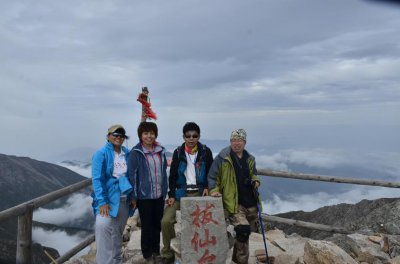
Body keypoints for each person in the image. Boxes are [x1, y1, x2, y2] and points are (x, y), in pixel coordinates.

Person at [160, 122, 214, 264]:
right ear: (183, 137)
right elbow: (172, 176)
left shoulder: (205, 152)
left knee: (198, 224)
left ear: (199, 136)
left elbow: (211, 173)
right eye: (188, 136)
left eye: (194, 135)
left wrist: (208, 186)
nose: (191, 138)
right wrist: (171, 195)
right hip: (180, 193)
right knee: (166, 221)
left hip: (199, 192)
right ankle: (168, 253)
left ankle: (199, 252)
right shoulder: (178, 153)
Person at [208, 128, 261, 264]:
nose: (236, 143)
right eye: (234, 140)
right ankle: (241, 261)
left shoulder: (250, 159)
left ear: (245, 142)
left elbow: (254, 173)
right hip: (233, 202)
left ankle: (236, 260)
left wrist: (256, 180)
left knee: (244, 235)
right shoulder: (223, 157)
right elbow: (213, 176)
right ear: (230, 141)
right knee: (243, 230)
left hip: (250, 202)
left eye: (239, 140)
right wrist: (214, 190)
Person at [91, 124, 135, 264]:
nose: (119, 138)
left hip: (124, 198)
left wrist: (133, 197)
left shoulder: (127, 153)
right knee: (103, 228)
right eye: (115, 135)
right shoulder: (101, 153)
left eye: (122, 136)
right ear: (108, 136)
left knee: (117, 234)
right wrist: (102, 201)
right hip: (108, 199)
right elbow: (97, 179)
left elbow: (132, 176)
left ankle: (117, 261)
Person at [127, 122, 168, 264]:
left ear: (155, 134)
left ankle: (156, 251)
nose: (149, 136)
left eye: (151, 133)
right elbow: (131, 176)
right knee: (147, 226)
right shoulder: (136, 152)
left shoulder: (160, 150)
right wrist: (133, 196)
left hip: (159, 195)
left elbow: (163, 173)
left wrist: (165, 191)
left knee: (157, 225)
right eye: (145, 133)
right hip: (144, 196)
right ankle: (147, 254)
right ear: (140, 135)